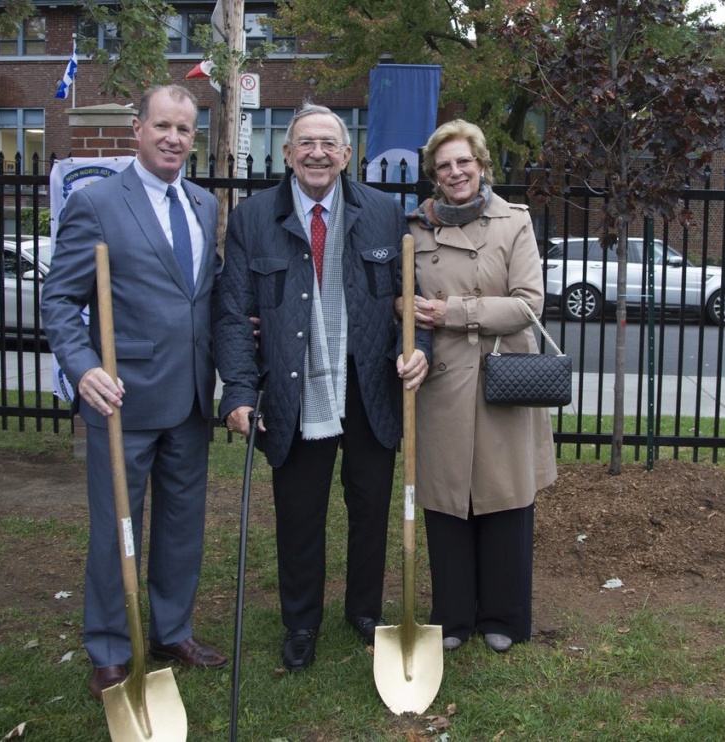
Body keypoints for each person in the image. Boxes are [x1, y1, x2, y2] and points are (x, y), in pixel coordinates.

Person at [213, 103, 432, 671]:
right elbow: (234, 312)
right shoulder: (254, 218)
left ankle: (363, 611)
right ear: (288, 154)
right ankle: (301, 622)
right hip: (295, 387)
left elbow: (412, 299)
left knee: (370, 506)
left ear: (346, 154)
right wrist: (238, 390)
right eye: (305, 143)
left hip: (368, 386)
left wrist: (419, 351)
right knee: (299, 513)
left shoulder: (384, 212)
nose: (317, 153)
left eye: (328, 144)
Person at [41, 83, 228, 703]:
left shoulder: (203, 203)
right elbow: (62, 300)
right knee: (117, 527)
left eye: (185, 130)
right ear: (137, 128)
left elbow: (203, 295)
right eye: (163, 127)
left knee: (182, 528)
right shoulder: (96, 203)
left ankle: (173, 630)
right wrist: (82, 366)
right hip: (124, 399)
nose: (174, 138)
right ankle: (111, 647)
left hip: (192, 400)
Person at [401, 119, 558, 653]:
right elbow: (404, 295)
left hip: (504, 378)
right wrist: (405, 306)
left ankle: (504, 616)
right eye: (444, 165)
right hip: (442, 381)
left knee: (506, 498)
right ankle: (452, 617)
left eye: (463, 161)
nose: (455, 172)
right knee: (446, 501)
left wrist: (454, 312)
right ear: (433, 175)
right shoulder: (416, 228)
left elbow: (528, 303)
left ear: (482, 164)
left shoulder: (513, 223)